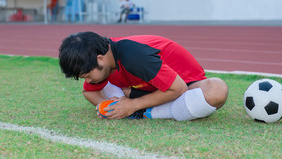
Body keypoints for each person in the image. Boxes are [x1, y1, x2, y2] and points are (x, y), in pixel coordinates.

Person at [59, 32, 229, 121]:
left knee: (217, 91)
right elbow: (88, 92)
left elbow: (179, 88)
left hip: (184, 84)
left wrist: (132, 106)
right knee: (111, 90)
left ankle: (144, 113)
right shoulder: (100, 64)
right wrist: (110, 108)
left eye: (87, 75)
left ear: (100, 58)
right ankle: (139, 109)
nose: (88, 81)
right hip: (147, 88)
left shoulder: (132, 55)